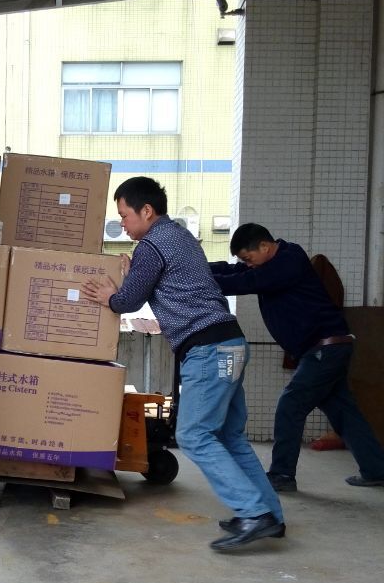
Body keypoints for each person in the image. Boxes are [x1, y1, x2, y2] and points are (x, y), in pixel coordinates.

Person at [81, 177, 284, 551]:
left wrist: (111, 296)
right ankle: (269, 514)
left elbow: (128, 301)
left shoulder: (152, 244)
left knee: (193, 435)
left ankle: (255, 513)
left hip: (208, 351)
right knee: (229, 436)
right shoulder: (180, 236)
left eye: (124, 215)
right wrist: (132, 279)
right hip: (230, 342)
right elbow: (158, 285)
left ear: (146, 211)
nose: (122, 224)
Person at [210, 223, 384, 491]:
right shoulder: (269, 263)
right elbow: (235, 271)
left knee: (290, 405)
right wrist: (198, 269)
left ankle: (282, 474)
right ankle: (375, 469)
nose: (248, 264)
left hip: (325, 349)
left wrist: (201, 283)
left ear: (264, 246)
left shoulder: (289, 260)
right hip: (326, 349)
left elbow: (246, 282)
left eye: (248, 258)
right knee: (343, 411)